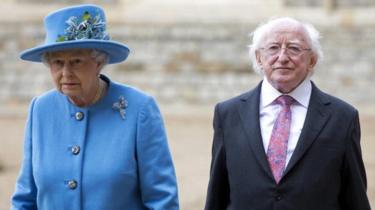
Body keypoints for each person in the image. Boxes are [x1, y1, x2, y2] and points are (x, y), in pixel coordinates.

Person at [11, 4, 179, 210]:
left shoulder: (139, 109)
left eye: (76, 61)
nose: (66, 72)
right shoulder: (40, 109)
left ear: (99, 62)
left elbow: (162, 201)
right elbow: (25, 199)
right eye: (57, 62)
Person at [205, 17, 371, 210]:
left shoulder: (342, 117)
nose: (282, 57)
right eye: (273, 48)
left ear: (312, 60)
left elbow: (355, 198)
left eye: (294, 48)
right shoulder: (228, 114)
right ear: (259, 58)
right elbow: (217, 193)